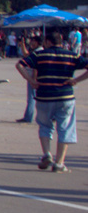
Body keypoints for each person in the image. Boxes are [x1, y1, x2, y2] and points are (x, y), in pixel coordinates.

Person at [17, 29, 88, 173]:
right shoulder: (72, 55)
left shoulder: (39, 54)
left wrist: (31, 80)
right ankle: (59, 163)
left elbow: (20, 64)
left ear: (48, 42)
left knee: (44, 125)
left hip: (44, 96)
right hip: (65, 97)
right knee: (65, 129)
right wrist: (76, 80)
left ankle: (47, 154)